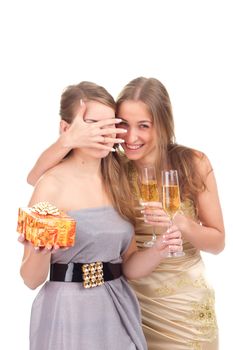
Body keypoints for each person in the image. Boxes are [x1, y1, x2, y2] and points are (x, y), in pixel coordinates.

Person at [26, 77, 225, 350]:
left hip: (177, 301)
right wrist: (69, 138)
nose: (130, 138)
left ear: (163, 123)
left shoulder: (186, 164)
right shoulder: (113, 166)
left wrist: (179, 226)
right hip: (126, 297)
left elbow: (218, 242)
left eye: (143, 125)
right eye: (122, 126)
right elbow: (36, 178)